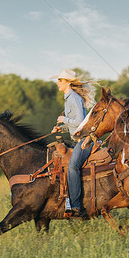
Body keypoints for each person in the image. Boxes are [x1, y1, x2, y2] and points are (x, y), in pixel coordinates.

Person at [51, 69, 96, 216]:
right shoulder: (68, 97)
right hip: (77, 138)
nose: (58, 83)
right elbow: (73, 125)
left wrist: (64, 120)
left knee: (72, 167)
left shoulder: (73, 98)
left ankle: (76, 206)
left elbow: (80, 122)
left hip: (85, 140)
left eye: (61, 80)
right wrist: (62, 128)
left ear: (68, 83)